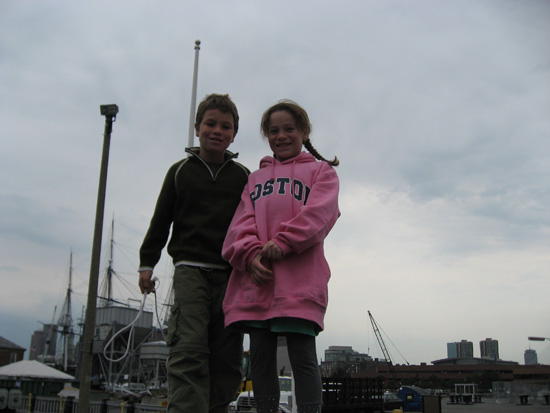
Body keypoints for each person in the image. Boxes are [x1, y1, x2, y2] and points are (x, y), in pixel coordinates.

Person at [221, 100, 340, 413]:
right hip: (257, 283)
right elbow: (240, 224)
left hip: (300, 285)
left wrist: (284, 242)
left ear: (304, 132)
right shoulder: (254, 180)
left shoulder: (322, 172)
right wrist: (250, 255)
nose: (282, 136)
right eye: (274, 131)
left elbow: (320, 215)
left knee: (303, 357)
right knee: (260, 358)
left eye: (289, 129)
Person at [138, 93, 250, 413]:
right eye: (210, 124)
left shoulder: (243, 176)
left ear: (234, 134)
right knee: (189, 347)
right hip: (190, 270)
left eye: (226, 126)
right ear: (197, 127)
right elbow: (161, 220)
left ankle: (217, 407)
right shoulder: (180, 171)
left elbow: (253, 224)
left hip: (231, 274)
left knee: (227, 353)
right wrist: (147, 263)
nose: (217, 131)